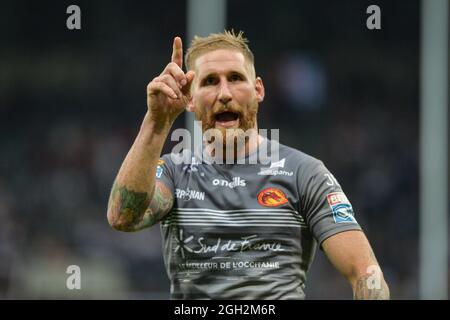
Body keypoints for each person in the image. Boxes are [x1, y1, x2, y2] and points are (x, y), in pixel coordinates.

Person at [107, 30, 390, 300]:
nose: (225, 93)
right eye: (210, 82)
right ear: (190, 100)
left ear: (258, 90)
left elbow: (366, 272)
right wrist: (157, 121)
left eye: (235, 78)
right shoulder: (173, 171)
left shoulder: (305, 173)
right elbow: (123, 217)